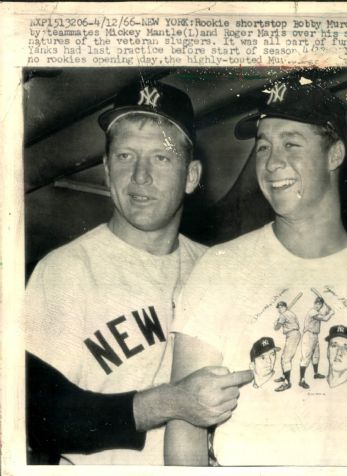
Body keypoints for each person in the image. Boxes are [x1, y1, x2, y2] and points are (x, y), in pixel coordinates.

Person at [165, 79, 347, 467]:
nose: (271, 161)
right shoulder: (220, 268)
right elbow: (185, 427)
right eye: (263, 146)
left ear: (334, 154)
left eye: (291, 144)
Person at [25, 80, 253, 465]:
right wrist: (171, 402)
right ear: (108, 171)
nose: (140, 177)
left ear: (192, 176)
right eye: (126, 156)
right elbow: (37, 417)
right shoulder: (65, 271)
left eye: (161, 158)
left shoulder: (218, 269)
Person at [298, 294, 334, 389]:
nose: (318, 305)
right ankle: (301, 380)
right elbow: (325, 318)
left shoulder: (317, 312)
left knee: (316, 356)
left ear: (321, 305)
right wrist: (331, 313)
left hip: (315, 336)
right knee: (306, 357)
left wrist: (329, 311)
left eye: (320, 304)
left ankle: (316, 373)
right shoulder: (312, 312)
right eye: (316, 303)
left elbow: (324, 314)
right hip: (308, 335)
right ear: (314, 304)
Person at [273, 299, 301, 392]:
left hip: (292, 335)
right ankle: (284, 376)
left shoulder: (283, 315)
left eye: (281, 307)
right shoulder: (290, 313)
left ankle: (287, 382)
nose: (279, 309)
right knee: (284, 358)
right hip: (294, 334)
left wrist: (276, 323)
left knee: (285, 359)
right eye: (278, 308)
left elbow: (276, 328)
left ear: (285, 307)